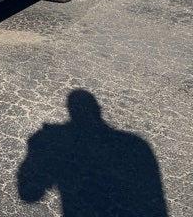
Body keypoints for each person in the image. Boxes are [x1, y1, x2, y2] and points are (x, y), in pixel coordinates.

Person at [17, 89, 167, 216]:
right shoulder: (137, 146)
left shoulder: (58, 143)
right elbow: (157, 207)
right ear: (99, 110)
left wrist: (39, 149)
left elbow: (29, 193)